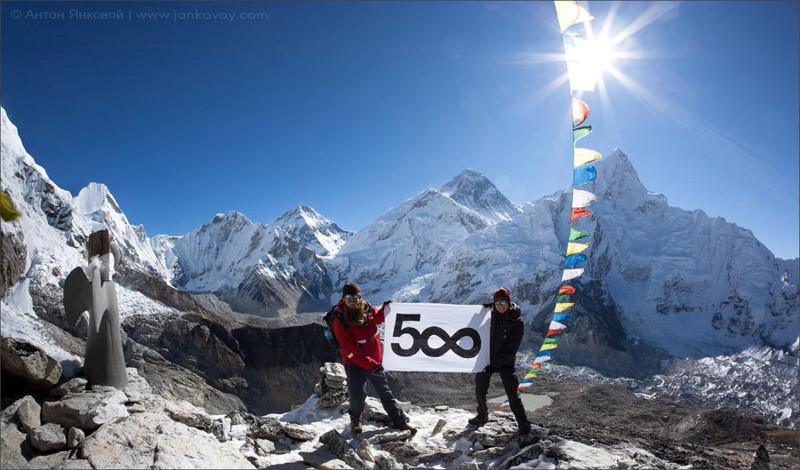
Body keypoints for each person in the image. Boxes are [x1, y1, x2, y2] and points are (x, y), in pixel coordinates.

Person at [330, 282, 416, 435]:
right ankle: (355, 420)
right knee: (357, 396)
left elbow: (377, 319)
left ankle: (399, 421)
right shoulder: (339, 320)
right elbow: (350, 349)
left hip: (374, 361)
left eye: (355, 296)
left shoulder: (366, 308)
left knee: (385, 392)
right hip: (355, 363)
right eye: (349, 296)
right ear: (343, 298)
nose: (353, 299)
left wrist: (385, 309)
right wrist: (371, 364)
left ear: (359, 297)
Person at [469, 287, 532, 436]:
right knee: (480, 389)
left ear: (509, 302)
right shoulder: (490, 315)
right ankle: (482, 415)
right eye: (497, 303)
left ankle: (524, 426)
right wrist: (481, 310)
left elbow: (511, 349)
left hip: (506, 362)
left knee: (513, 396)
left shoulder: (517, 321)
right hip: (487, 359)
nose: (500, 305)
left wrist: (494, 365)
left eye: (503, 302)